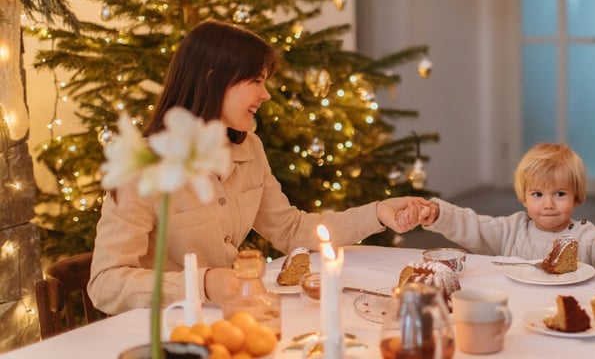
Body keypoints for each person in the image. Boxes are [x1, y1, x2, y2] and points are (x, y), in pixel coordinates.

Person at [88, 20, 430, 315]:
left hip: (230, 323)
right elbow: (105, 283)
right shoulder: (146, 166)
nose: (265, 94)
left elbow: (292, 229)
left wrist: (378, 213)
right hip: (167, 336)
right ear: (213, 79)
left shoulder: (248, 149)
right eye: (256, 80)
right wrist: (203, 283)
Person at [411, 143, 595, 274]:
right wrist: (439, 214)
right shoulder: (510, 230)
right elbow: (472, 226)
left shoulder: (586, 237)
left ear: (576, 197)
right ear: (524, 198)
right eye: (538, 194)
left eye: (560, 194)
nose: (548, 204)